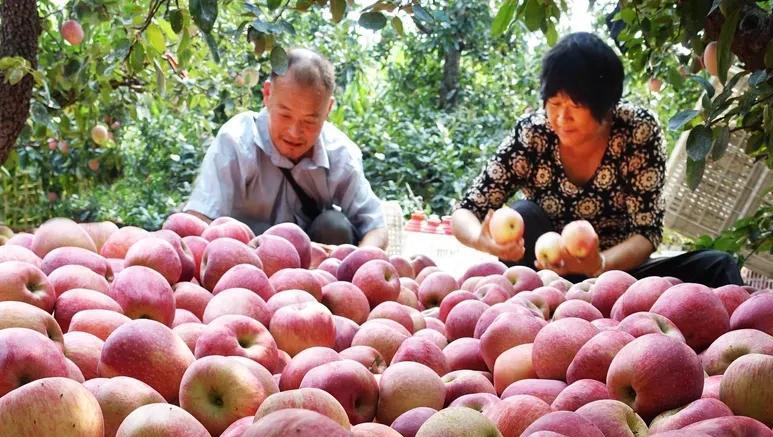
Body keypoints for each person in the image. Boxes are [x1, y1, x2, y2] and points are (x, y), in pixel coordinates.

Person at [451, 32, 743, 287]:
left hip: (617, 276)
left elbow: (646, 233)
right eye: (554, 104)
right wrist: (481, 239)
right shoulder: (533, 133)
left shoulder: (636, 130)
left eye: (575, 106)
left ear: (606, 106)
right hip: (543, 279)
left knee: (718, 267)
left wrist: (598, 265)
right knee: (525, 213)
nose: (562, 118)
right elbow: (467, 211)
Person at [182, 47, 388, 249]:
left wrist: (363, 263)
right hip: (244, 260)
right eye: (285, 115)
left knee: (333, 225)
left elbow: (376, 228)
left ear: (328, 109)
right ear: (267, 94)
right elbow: (200, 218)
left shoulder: (340, 153)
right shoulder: (236, 140)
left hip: (312, 266)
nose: (294, 132)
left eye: (309, 121)